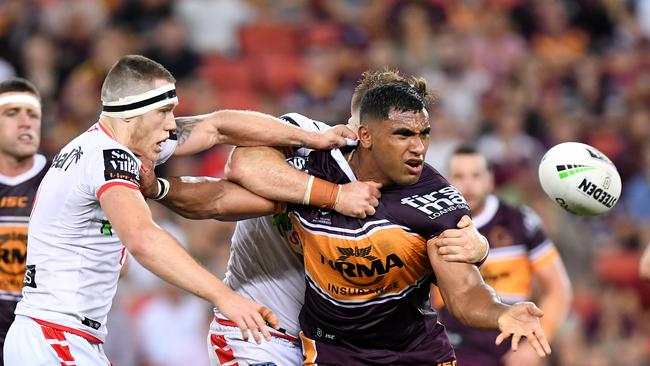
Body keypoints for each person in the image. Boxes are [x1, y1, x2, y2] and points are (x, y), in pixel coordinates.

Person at [144, 75, 550, 365]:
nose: (419, 147)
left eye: (424, 134)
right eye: (403, 135)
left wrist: (501, 311)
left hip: (413, 353)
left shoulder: (436, 202)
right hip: (307, 344)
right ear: (362, 133)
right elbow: (231, 179)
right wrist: (155, 185)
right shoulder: (311, 151)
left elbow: (463, 295)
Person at [2, 54, 355, 366]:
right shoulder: (109, 156)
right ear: (133, 113)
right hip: (56, 336)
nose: (172, 124)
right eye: (164, 112)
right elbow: (143, 239)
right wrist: (224, 296)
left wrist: (311, 139)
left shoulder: (107, 144)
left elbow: (217, 126)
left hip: (58, 335)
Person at [436, 146, 572, 366]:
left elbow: (558, 288)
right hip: (456, 345)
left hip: (514, 343)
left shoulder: (520, 221)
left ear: (490, 179)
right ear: (445, 181)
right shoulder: (434, 226)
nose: (468, 184)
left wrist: (534, 345)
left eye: (476, 175)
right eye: (459, 176)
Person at [0, 78, 46, 364]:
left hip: (41, 339)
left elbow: (120, 265)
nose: (25, 122)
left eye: (33, 114)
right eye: (12, 113)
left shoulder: (61, 181)